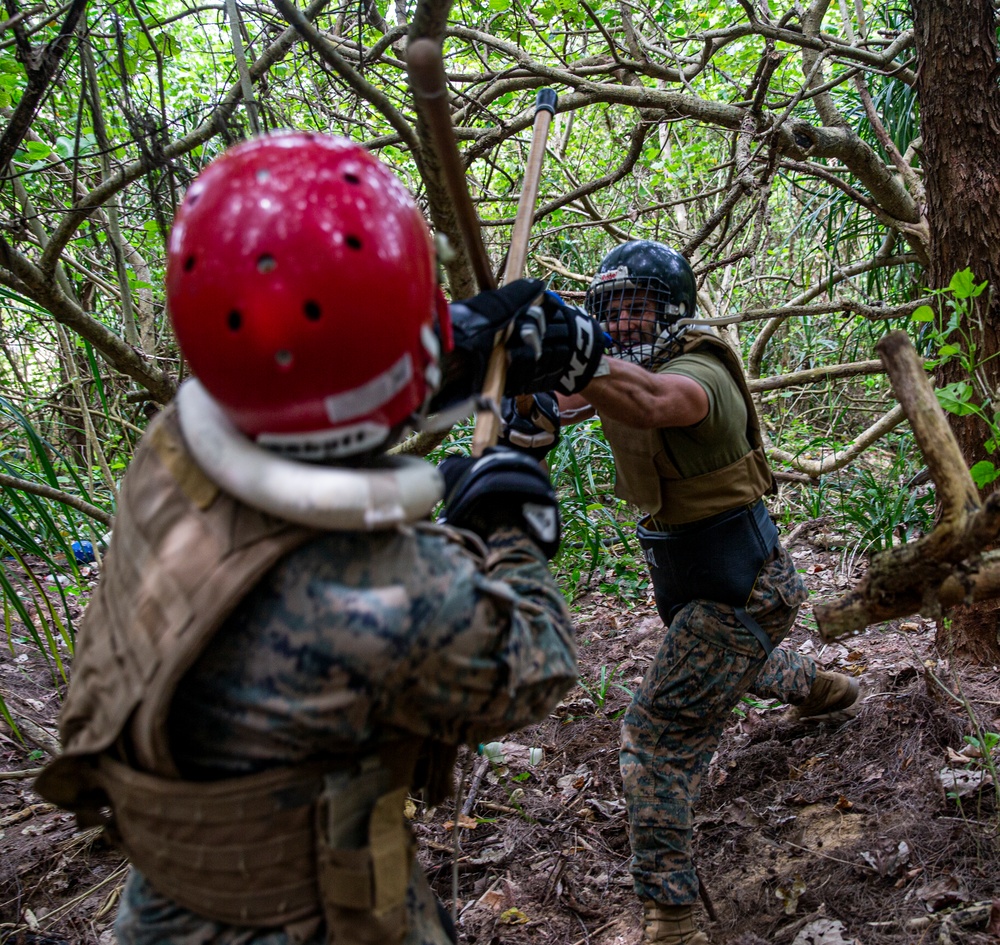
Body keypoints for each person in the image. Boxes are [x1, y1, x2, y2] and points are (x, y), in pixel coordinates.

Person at [34, 132, 606, 945]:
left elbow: (296, 378)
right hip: (324, 920)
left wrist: (458, 339)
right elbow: (536, 663)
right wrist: (507, 528)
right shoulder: (392, 594)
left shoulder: (164, 459)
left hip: (162, 911)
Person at [508, 240, 860, 945]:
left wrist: (575, 359)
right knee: (729, 665)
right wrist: (527, 389)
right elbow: (566, 398)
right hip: (704, 589)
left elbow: (648, 401)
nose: (623, 321)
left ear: (672, 309)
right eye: (609, 309)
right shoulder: (621, 370)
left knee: (654, 732)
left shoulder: (700, 372)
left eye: (636, 306)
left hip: (741, 590)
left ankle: (672, 919)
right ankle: (821, 687)